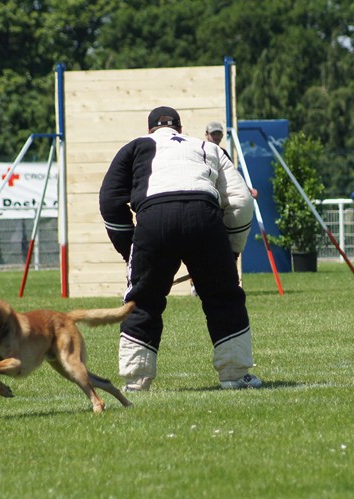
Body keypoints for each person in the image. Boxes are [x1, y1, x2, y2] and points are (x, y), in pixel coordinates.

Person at [99, 105, 261, 391]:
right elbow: (241, 201)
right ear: (180, 129)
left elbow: (110, 201)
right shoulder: (207, 147)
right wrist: (231, 250)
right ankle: (235, 376)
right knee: (223, 297)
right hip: (205, 217)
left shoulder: (134, 147)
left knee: (143, 300)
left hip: (153, 219)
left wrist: (131, 252)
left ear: (150, 129)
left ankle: (136, 381)